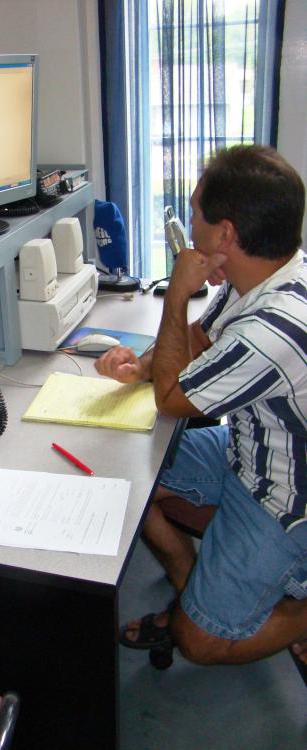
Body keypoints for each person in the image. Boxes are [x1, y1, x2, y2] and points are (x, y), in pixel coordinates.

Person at [95, 144, 307, 667]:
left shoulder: (275, 328)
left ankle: (269, 615)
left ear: (225, 234)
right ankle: (194, 590)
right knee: (125, 478)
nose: (189, 226)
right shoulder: (261, 278)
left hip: (287, 501)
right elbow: (197, 340)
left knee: (198, 643)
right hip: (248, 454)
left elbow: (171, 400)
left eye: (194, 214)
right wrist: (141, 365)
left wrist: (176, 293)